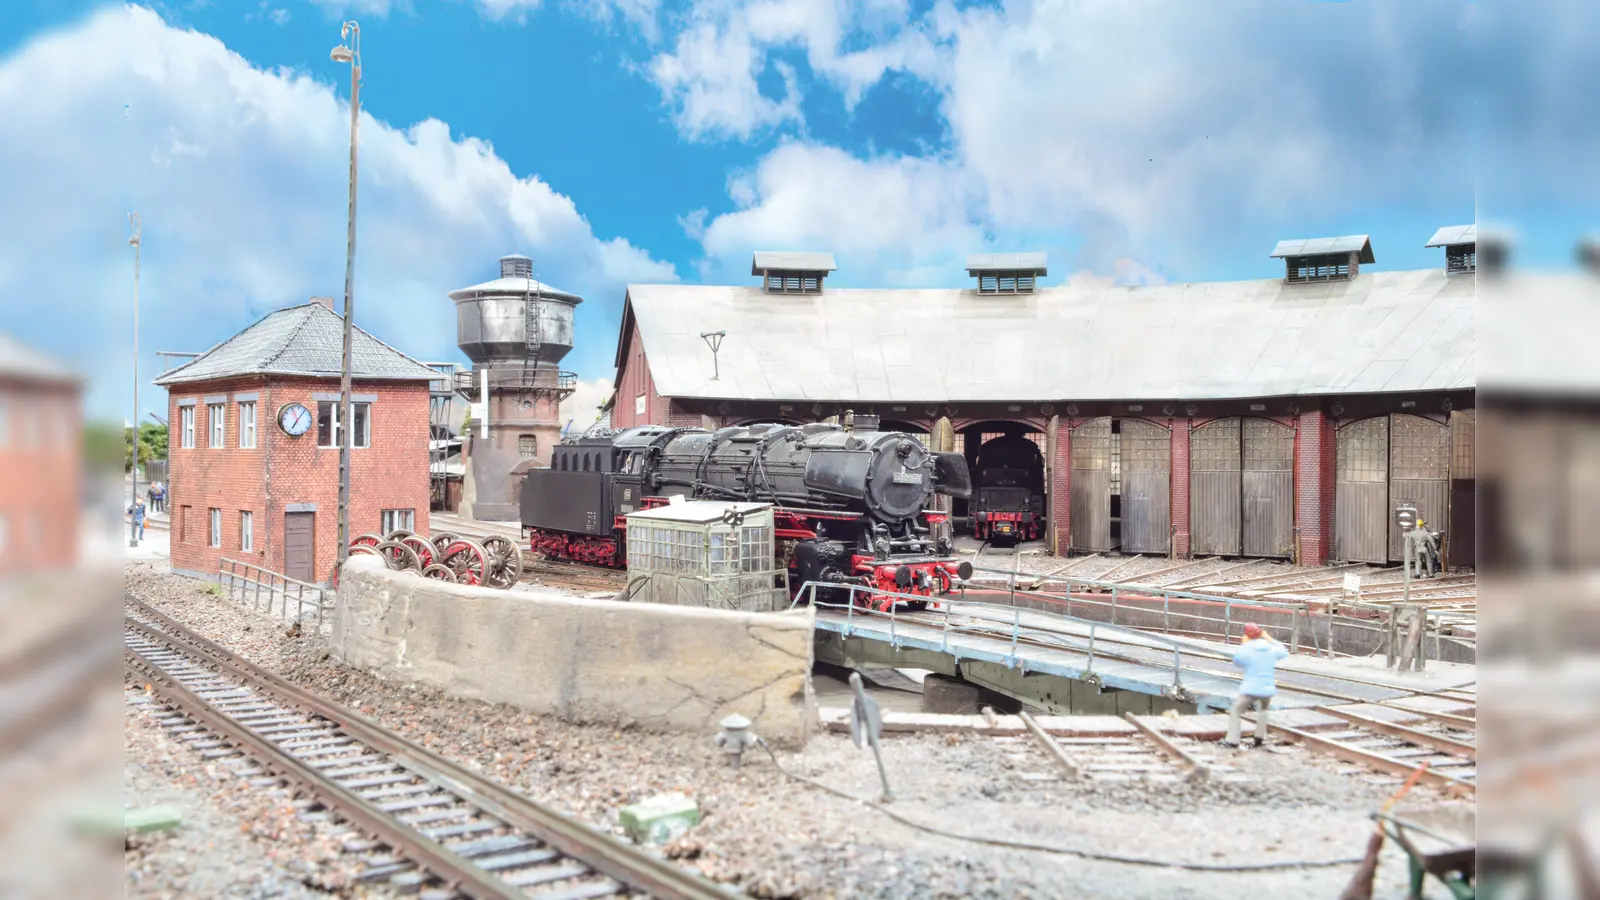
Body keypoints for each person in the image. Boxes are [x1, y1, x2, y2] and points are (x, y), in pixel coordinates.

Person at [1222, 623, 1289, 748]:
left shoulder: (1247, 648)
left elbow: (1238, 661)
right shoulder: (1270, 648)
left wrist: (1244, 645)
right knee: (1263, 710)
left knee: (1236, 710)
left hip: (1251, 688)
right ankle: (1259, 738)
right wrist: (1270, 640)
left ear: (1247, 635)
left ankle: (1232, 741)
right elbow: (1284, 652)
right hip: (1267, 688)